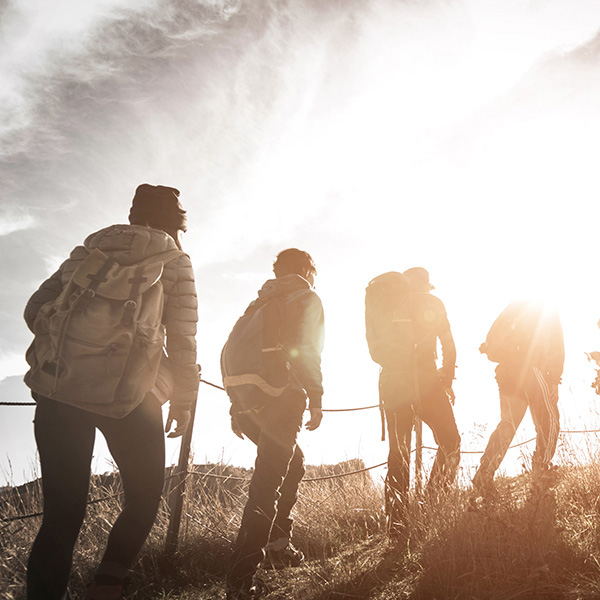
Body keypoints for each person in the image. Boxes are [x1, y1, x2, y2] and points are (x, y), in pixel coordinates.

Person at [23, 184, 199, 600]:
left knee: (61, 517)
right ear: (177, 220)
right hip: (134, 397)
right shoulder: (175, 259)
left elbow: (34, 309)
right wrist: (183, 398)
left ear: (133, 214)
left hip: (60, 390)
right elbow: (184, 339)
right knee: (143, 496)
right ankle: (107, 583)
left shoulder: (89, 250)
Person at [221, 248, 324, 600]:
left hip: (248, 399)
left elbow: (236, 351)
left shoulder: (260, 301)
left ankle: (279, 545)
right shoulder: (305, 297)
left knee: (292, 464)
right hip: (283, 397)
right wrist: (316, 397)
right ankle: (242, 575)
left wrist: (235, 407)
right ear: (309, 270)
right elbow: (307, 349)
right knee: (267, 482)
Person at [367, 267, 460, 537]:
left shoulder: (387, 304)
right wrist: (447, 379)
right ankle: (434, 503)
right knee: (451, 441)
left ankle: (396, 522)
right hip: (427, 381)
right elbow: (449, 344)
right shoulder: (431, 303)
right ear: (426, 284)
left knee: (398, 451)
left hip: (392, 383)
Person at [473, 300, 564, 496]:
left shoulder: (514, 306)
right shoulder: (546, 305)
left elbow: (491, 339)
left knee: (508, 423)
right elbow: (556, 342)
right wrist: (555, 378)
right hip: (532, 370)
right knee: (549, 421)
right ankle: (541, 473)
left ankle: (484, 474)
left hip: (506, 372)